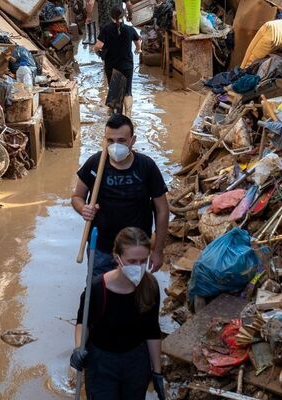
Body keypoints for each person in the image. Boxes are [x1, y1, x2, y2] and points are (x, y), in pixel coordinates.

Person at [70, 228, 165, 399]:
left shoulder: (150, 287)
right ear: (117, 258)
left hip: (136, 362)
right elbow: (82, 323)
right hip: (101, 363)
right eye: (132, 261)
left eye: (143, 261)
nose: (138, 267)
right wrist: (78, 349)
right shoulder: (97, 288)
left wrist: (157, 372)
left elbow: (152, 331)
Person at [73, 114, 170, 278]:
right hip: (101, 247)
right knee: (99, 293)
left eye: (122, 141)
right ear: (104, 140)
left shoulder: (146, 167)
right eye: (110, 141)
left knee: (131, 293)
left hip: (135, 252)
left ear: (133, 140)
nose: (115, 146)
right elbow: (77, 197)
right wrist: (84, 209)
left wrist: (158, 250)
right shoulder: (95, 164)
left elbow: (162, 210)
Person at [93, 4, 140, 115]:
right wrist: (138, 50)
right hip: (127, 65)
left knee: (114, 88)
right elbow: (138, 42)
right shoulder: (129, 29)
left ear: (110, 16)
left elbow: (98, 46)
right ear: (123, 15)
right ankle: (127, 116)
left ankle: (115, 113)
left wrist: (96, 52)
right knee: (128, 91)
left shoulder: (106, 29)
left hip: (111, 65)